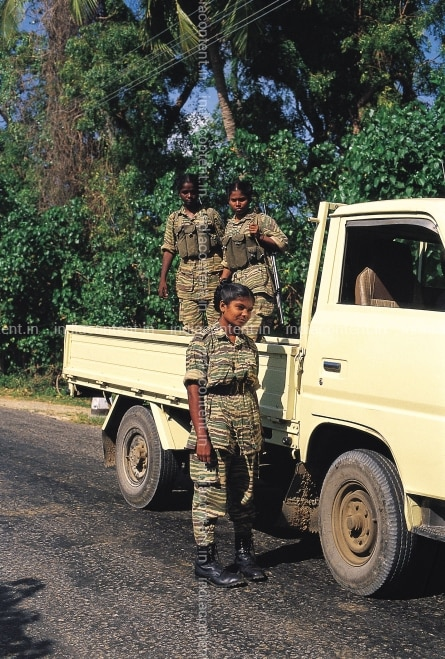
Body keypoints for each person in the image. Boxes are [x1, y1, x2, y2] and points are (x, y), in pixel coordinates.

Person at [184, 282, 267, 587]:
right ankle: (205, 562)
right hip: (215, 425)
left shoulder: (248, 345)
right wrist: (201, 436)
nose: (245, 314)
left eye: (249, 309)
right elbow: (195, 390)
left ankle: (244, 557)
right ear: (223, 306)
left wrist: (255, 433)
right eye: (239, 307)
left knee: (245, 495)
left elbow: (249, 388)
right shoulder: (203, 341)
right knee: (208, 494)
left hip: (246, 426)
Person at [219, 179, 288, 340]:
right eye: (233, 200)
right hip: (238, 287)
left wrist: (260, 236)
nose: (238, 204)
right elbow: (228, 260)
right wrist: (222, 281)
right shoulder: (229, 226)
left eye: (242, 199)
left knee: (248, 333)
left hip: (259, 285)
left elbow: (283, 243)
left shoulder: (260, 220)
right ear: (228, 201)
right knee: (243, 336)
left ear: (249, 199)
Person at [158, 173, 225, 332]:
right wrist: (163, 279)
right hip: (187, 281)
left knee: (218, 329)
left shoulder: (211, 214)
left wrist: (227, 275)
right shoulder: (174, 219)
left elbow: (225, 244)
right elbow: (169, 248)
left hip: (213, 278)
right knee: (192, 330)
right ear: (179, 193)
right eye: (185, 192)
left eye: (193, 191)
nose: (189, 195)